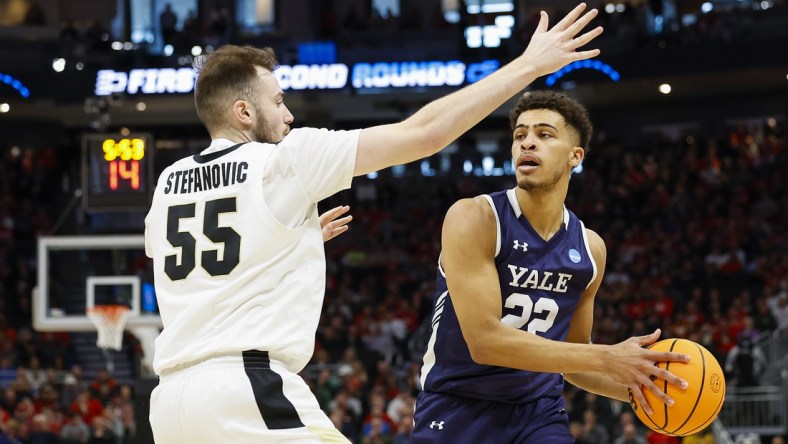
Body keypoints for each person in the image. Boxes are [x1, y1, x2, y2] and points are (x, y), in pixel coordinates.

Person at [144, 3, 605, 442]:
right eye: (279, 101)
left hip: (169, 404)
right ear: (244, 112)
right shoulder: (285, 159)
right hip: (244, 390)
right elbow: (425, 133)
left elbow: (198, 263)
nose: (288, 115)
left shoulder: (168, 181)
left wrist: (292, 241)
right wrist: (527, 66)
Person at [411, 89, 692, 443]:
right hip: (457, 406)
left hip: (538, 413)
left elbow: (575, 359)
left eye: (544, 134)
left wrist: (648, 391)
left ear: (576, 156)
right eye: (520, 135)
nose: (527, 143)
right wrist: (607, 357)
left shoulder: (590, 249)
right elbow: (484, 343)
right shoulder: (475, 217)